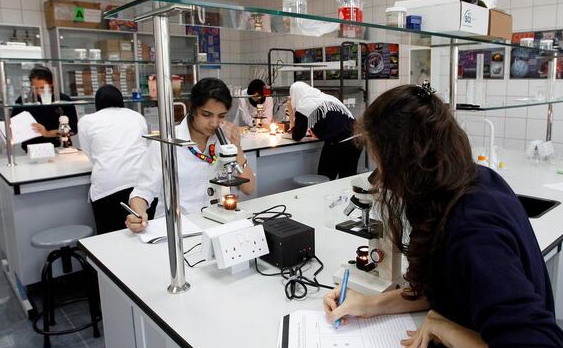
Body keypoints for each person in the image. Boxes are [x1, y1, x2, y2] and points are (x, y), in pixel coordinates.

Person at [324, 85, 563, 348]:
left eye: (379, 160)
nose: (379, 177)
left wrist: (449, 330)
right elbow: (450, 284)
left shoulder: (472, 234)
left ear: (401, 160)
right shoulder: (470, 181)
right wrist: (369, 306)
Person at [125, 78, 255, 232]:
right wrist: (138, 214)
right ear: (193, 109)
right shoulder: (167, 143)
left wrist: (237, 147)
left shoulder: (224, 140)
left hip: (216, 226)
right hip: (176, 229)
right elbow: (142, 192)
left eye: (221, 116)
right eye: (206, 114)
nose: (214, 123)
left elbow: (248, 188)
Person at [79, 85, 154, 234]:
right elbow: (145, 145)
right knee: (145, 234)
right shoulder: (136, 116)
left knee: (111, 240)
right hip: (143, 185)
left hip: (108, 187)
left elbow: (90, 154)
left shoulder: (87, 121)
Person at [287, 81, 361, 180]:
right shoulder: (328, 97)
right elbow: (333, 120)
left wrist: (291, 115)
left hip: (340, 143)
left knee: (324, 178)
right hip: (357, 139)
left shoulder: (304, 105)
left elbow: (297, 135)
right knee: (347, 180)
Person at [11, 66, 78, 152]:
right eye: (35, 88)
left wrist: (47, 133)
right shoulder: (23, 100)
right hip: (29, 150)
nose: (38, 92)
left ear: (52, 84)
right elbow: (13, 125)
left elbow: (73, 129)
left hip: (57, 149)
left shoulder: (63, 100)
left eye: (42, 88)